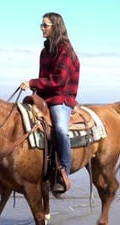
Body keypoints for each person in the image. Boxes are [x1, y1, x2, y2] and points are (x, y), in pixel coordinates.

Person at [20, 12, 80, 193]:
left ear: (55, 27)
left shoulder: (65, 50)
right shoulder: (45, 51)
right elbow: (44, 78)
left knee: (61, 130)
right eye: (42, 25)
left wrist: (31, 83)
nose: (42, 28)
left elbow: (59, 81)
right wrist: (36, 91)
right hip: (46, 97)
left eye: (45, 25)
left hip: (61, 98)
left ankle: (64, 170)